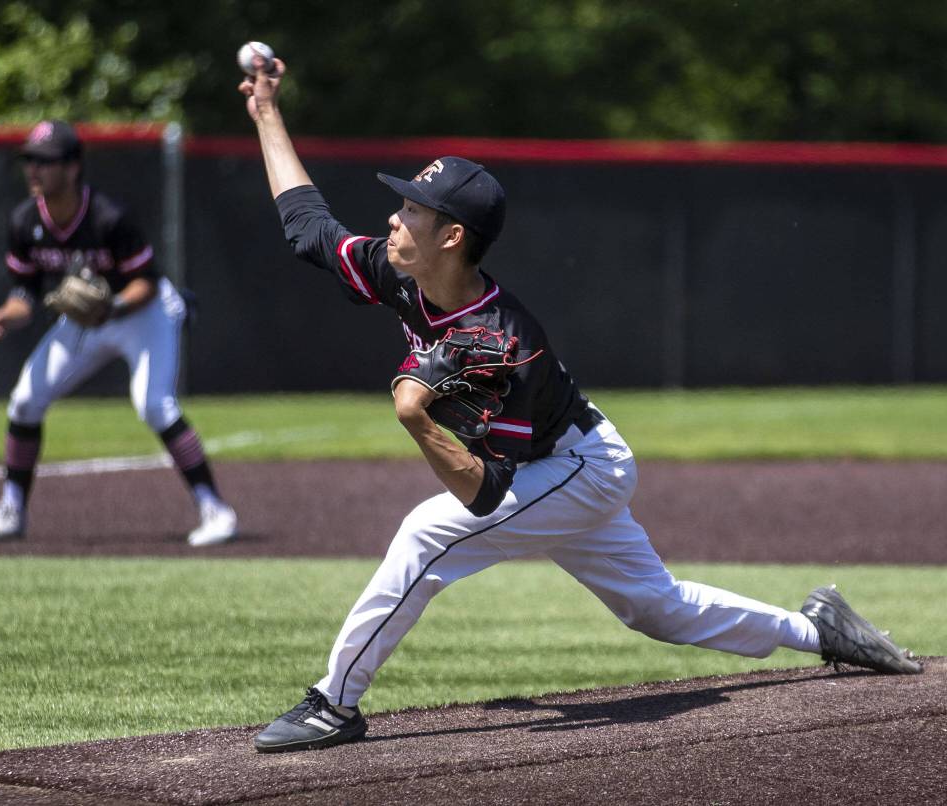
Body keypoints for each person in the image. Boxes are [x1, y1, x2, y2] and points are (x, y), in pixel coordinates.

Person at [238, 56, 921, 753]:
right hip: (560, 464)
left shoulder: (505, 344)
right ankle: (821, 629)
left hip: (575, 468)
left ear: (451, 237)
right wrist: (267, 115)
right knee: (659, 610)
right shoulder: (400, 272)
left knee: (425, 533)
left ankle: (335, 703)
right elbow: (307, 227)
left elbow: (483, 494)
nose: (393, 214)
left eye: (413, 207)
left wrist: (415, 417)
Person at [0, 120, 238, 548]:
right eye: (29, 161)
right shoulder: (23, 221)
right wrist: (1, 315)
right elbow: (25, 295)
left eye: (45, 161)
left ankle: (216, 509)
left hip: (142, 312)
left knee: (154, 405)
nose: (33, 170)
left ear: (73, 167)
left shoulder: (108, 217)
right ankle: (11, 510)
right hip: (87, 319)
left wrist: (111, 307)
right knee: (24, 400)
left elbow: (146, 281)